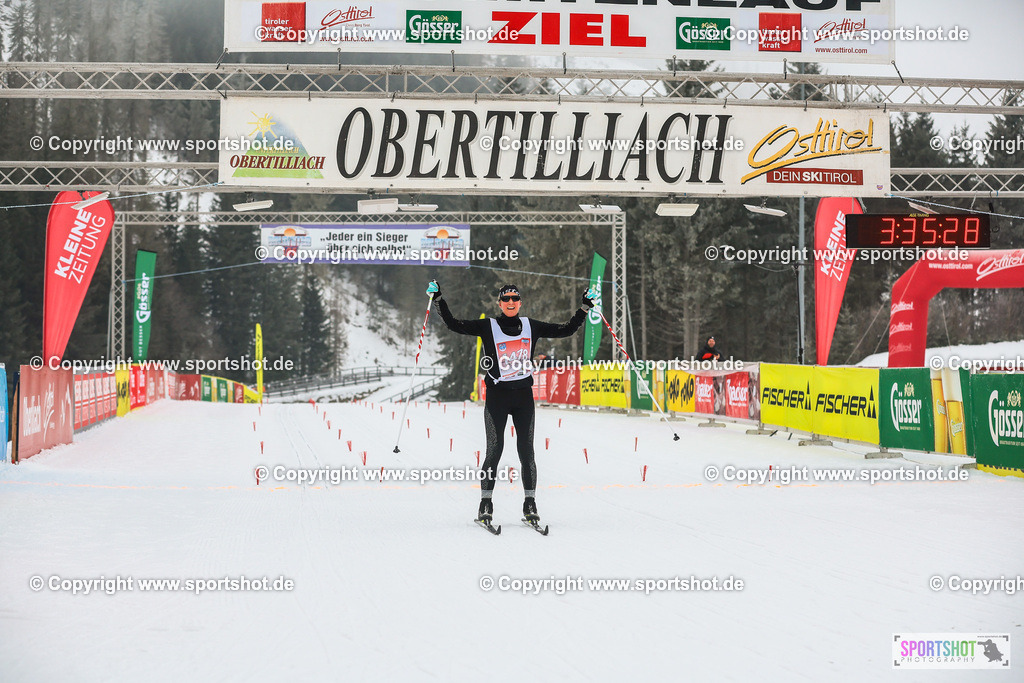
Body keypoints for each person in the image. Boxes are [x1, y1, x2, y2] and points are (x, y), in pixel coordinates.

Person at [428, 281, 594, 526]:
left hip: (523, 397)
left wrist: (584, 309)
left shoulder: (530, 326)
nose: (510, 303)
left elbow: (565, 330)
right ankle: (486, 503)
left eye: (515, 299)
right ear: (499, 303)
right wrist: (438, 299)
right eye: (506, 299)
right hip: (497, 397)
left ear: (520, 302)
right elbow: (454, 324)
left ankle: (530, 503)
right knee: (494, 451)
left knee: (527, 453)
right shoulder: (489, 326)